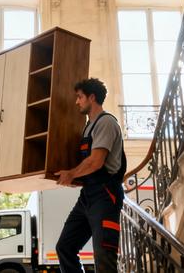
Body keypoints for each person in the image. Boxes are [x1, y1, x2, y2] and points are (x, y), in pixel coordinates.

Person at [54, 78, 127, 273]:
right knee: (65, 247)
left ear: (92, 97)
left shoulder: (106, 123)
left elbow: (95, 162)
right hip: (88, 196)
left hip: (106, 197)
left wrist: (71, 173)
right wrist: (75, 178)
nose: (77, 102)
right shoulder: (89, 126)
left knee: (104, 259)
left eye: (80, 97)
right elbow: (88, 166)